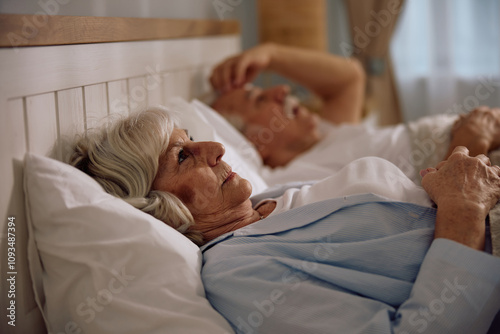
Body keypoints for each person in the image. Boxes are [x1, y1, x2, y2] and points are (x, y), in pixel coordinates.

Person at [70, 107, 500, 333]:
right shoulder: (240, 274)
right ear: (158, 206)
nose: (216, 147)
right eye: (182, 156)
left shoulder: (267, 203)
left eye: (190, 138)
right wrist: (464, 211)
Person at [208, 42, 500, 185]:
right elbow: (433, 208)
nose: (281, 90)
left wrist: (270, 54)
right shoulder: (296, 179)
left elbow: (350, 78)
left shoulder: (323, 134)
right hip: (474, 150)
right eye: (259, 99)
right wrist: (472, 141)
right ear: (255, 141)